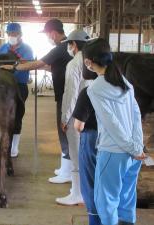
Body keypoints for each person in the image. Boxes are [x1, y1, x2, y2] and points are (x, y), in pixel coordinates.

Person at [1, 18, 73, 183]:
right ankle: (65, 167)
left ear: (53, 33)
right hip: (66, 94)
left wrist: (14, 67)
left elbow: (38, 63)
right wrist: (38, 65)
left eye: (48, 34)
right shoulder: (66, 47)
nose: (48, 37)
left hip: (66, 96)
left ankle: (67, 172)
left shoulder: (61, 48)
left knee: (64, 131)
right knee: (65, 131)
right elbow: (49, 66)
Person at [84, 38, 147, 225]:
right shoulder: (125, 82)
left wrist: (132, 147)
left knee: (105, 202)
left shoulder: (95, 88)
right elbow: (136, 116)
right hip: (133, 154)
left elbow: (111, 124)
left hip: (112, 152)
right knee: (126, 199)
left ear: (89, 62)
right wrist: (137, 147)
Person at [56, 29, 90, 205]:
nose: (69, 47)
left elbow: (70, 93)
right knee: (90, 154)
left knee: (76, 156)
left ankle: (77, 194)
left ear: (74, 45)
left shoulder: (74, 63)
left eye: (69, 44)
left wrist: (64, 118)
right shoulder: (92, 60)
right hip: (92, 116)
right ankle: (87, 191)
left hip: (76, 115)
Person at [0, 22, 34, 157]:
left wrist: (18, 62)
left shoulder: (27, 49)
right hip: (2, 87)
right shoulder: (2, 48)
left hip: (19, 85)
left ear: (20, 35)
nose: (12, 36)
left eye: (14, 34)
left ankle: (14, 147)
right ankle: (2, 144)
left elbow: (30, 64)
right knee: (1, 116)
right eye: (9, 34)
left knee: (17, 115)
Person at [73, 69, 100, 224]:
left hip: (92, 138)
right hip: (116, 141)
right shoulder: (125, 88)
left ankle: (95, 221)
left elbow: (79, 125)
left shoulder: (89, 91)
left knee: (90, 185)